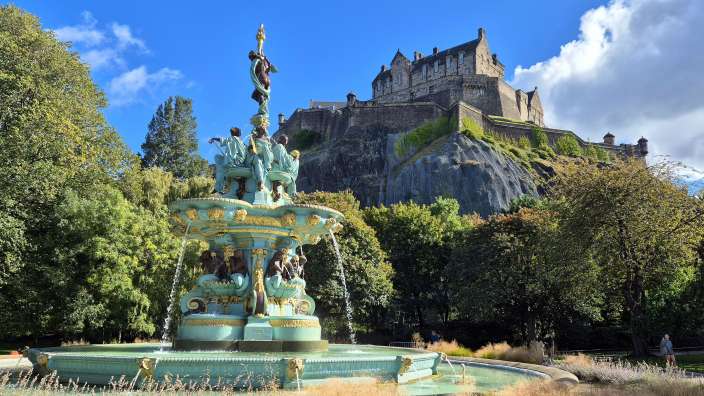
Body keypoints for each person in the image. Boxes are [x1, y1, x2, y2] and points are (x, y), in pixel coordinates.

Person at [209, 127, 246, 193]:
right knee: (218, 158)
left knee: (220, 166)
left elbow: (222, 140)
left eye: (231, 133)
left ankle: (218, 187)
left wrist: (213, 138)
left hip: (234, 162)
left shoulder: (232, 139)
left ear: (232, 134)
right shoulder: (242, 143)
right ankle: (221, 185)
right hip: (237, 161)